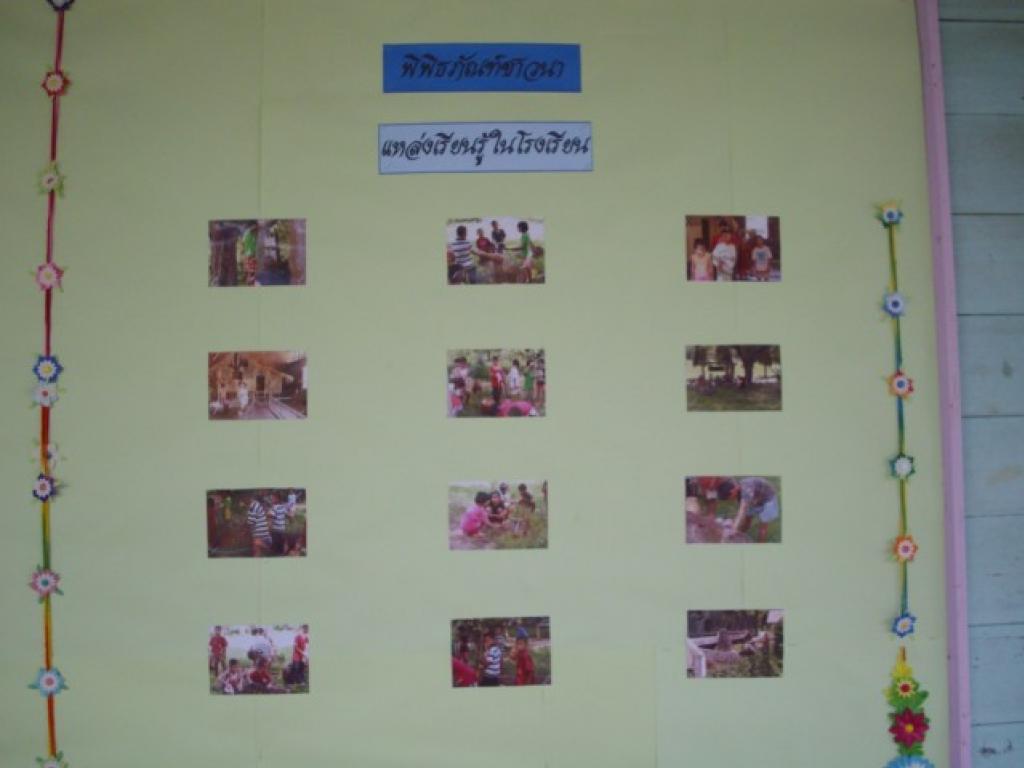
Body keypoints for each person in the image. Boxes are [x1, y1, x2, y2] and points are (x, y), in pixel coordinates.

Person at [720, 477, 779, 543]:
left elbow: (741, 513)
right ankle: (741, 534)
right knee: (747, 518)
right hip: (754, 498)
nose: (730, 499)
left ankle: (761, 544)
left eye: (730, 497)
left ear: (733, 491)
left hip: (767, 499)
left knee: (763, 527)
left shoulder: (746, 492)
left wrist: (733, 530)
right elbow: (743, 511)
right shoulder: (739, 490)